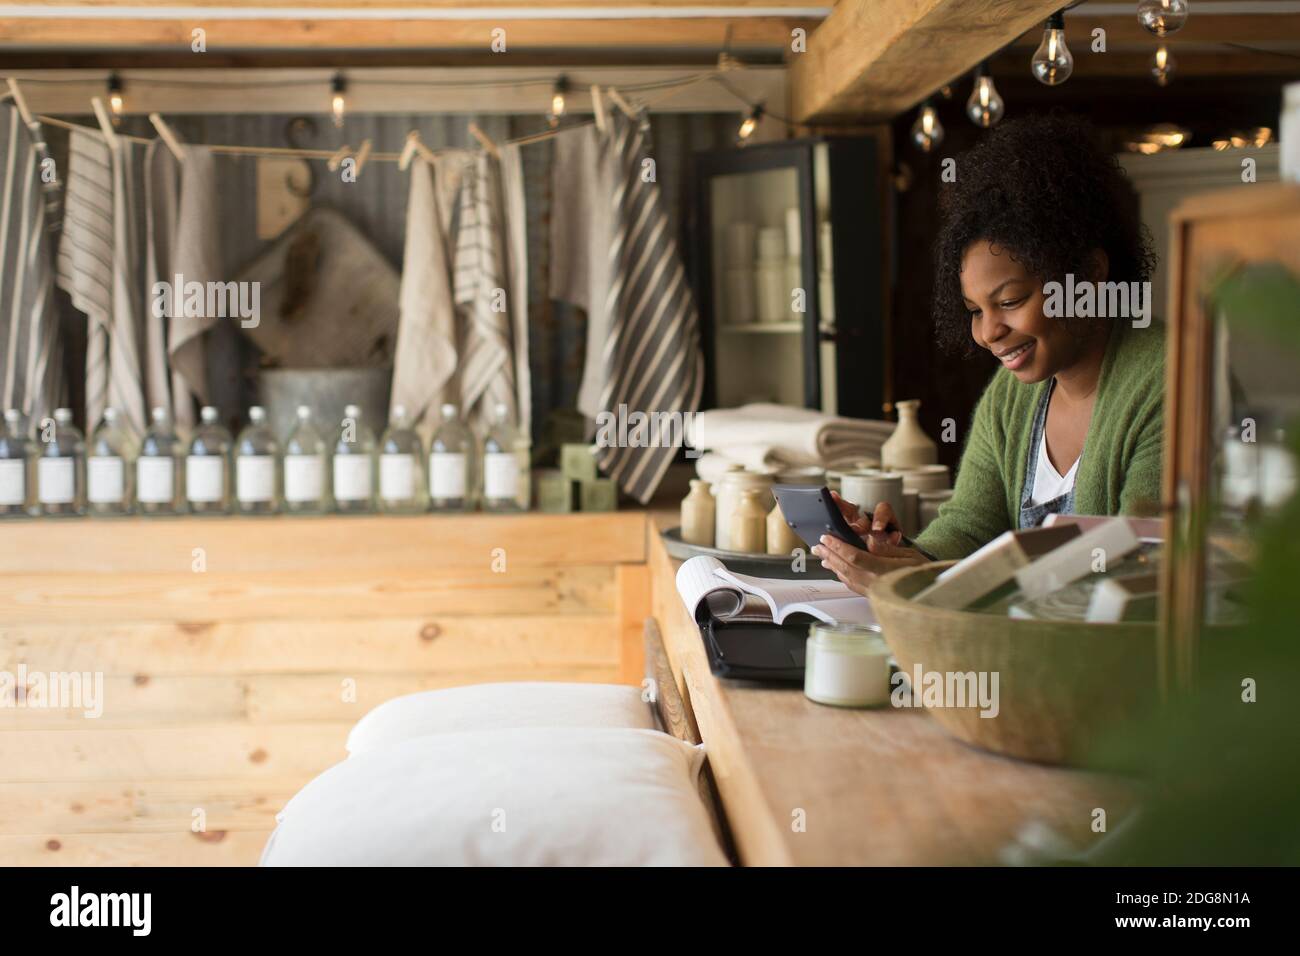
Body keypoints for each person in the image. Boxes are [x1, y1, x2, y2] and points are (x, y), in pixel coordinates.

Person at [815, 113, 1162, 596]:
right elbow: (971, 527)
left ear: (1089, 274)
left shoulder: (1169, 381)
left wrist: (926, 583)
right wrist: (901, 556)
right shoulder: (1013, 396)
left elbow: (1140, 569)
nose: (988, 332)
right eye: (975, 310)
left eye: (1011, 301)